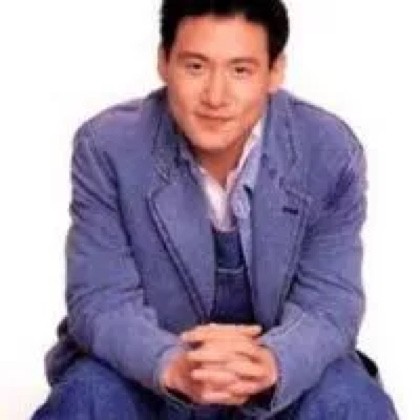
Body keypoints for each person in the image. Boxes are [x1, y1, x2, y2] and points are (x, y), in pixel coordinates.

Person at [32, 0, 399, 418]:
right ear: (163, 62)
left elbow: (329, 302)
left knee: (351, 401)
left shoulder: (329, 151)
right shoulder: (108, 148)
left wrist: (268, 364)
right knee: (87, 397)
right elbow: (102, 300)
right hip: (150, 375)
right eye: (195, 67)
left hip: (280, 383)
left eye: (240, 70)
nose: (216, 96)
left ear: (275, 71)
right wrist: (174, 365)